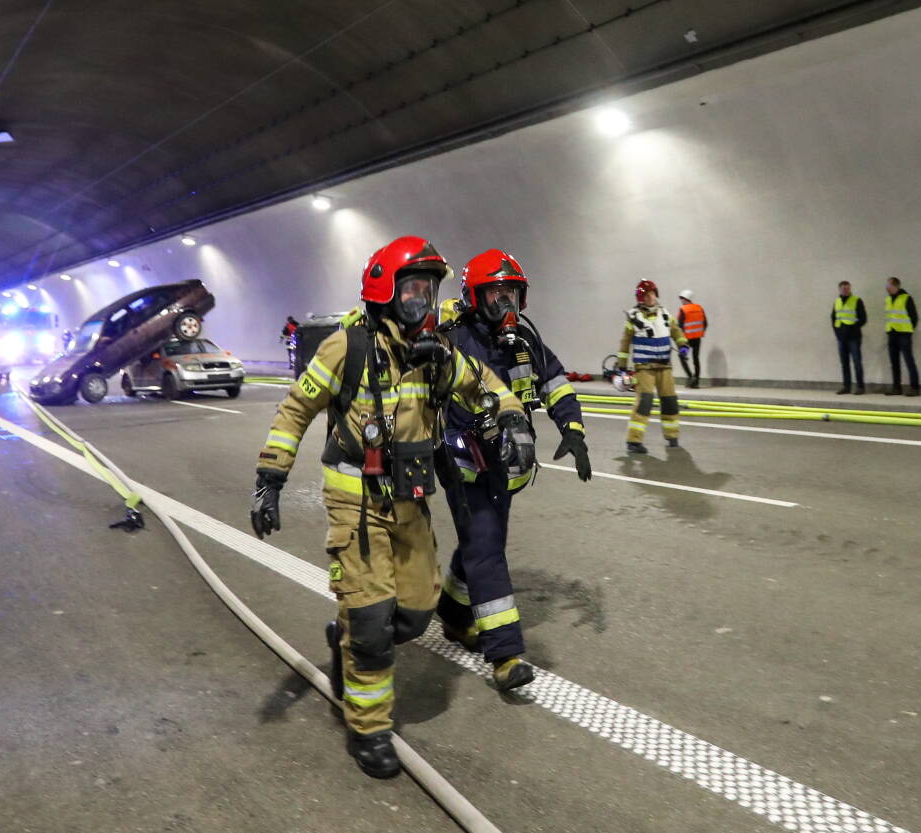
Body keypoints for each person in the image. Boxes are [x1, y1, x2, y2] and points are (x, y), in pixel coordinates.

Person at [249, 236, 531, 779]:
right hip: (355, 505)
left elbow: (486, 385)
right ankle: (368, 727)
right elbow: (295, 410)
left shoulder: (435, 353)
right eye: (413, 288)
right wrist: (270, 478)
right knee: (373, 624)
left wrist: (513, 418)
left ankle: (346, 639)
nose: (422, 300)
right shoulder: (346, 347)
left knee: (416, 613)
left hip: (411, 502)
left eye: (429, 290)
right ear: (385, 290)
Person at [437, 249, 592, 692]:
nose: (505, 302)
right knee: (487, 548)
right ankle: (505, 654)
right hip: (465, 465)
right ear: (474, 298)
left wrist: (573, 430)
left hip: (504, 466)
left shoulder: (524, 341)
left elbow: (555, 383)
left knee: (481, 544)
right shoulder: (455, 341)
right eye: (495, 293)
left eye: (511, 293)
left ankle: (453, 613)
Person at [616, 280, 689, 454]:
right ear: (641, 299)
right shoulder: (634, 317)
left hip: (664, 366)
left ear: (656, 294)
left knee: (670, 401)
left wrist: (683, 345)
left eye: (652, 294)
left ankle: (672, 436)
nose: (650, 298)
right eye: (646, 295)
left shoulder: (665, 314)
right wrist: (622, 367)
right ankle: (633, 441)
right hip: (644, 368)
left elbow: (676, 332)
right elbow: (625, 344)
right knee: (644, 402)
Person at [883, 276, 920, 396]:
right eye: (886, 286)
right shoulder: (888, 299)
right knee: (894, 362)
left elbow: (914, 317)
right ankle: (896, 388)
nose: (886, 288)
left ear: (896, 286)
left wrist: (909, 331)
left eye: (888, 285)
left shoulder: (906, 298)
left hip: (904, 334)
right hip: (892, 333)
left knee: (909, 360)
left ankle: (914, 388)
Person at [832, 281, 867, 394]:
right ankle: (846, 386)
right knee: (844, 363)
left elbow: (863, 318)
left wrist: (853, 328)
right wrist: (837, 332)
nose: (845, 290)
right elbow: (833, 318)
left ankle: (860, 387)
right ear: (839, 289)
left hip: (854, 337)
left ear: (850, 289)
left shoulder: (857, 300)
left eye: (847, 288)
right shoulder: (837, 302)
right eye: (843, 289)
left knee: (857, 362)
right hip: (841, 337)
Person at [676, 289, 707, 388]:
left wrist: (679, 340)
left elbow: (679, 326)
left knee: (682, 357)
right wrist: (699, 332)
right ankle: (696, 380)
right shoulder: (699, 308)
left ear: (686, 298)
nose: (681, 300)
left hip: (686, 341)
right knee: (696, 359)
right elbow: (705, 323)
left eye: (682, 298)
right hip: (697, 339)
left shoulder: (683, 310)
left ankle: (690, 378)